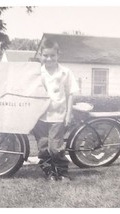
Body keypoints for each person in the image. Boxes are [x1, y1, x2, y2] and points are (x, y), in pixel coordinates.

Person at [33, 38, 79, 181]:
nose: (49, 58)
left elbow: (71, 93)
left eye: (52, 55)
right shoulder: (37, 73)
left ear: (58, 55)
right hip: (39, 116)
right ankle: (50, 173)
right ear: (40, 55)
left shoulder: (65, 72)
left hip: (58, 116)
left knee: (56, 148)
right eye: (45, 55)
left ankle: (62, 173)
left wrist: (68, 114)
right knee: (43, 147)